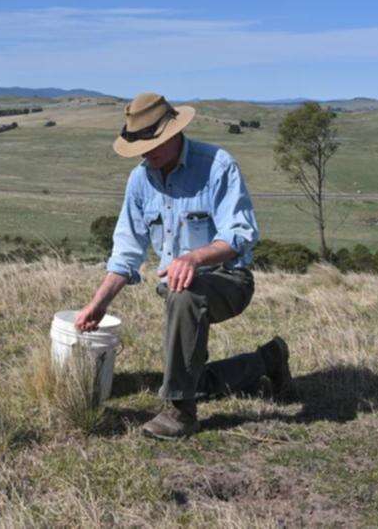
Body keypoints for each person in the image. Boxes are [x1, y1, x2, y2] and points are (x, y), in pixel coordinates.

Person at [75, 92, 292, 439]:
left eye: (153, 144)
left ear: (174, 133)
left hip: (229, 279)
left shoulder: (218, 166)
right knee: (192, 375)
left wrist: (194, 257)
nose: (146, 155)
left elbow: (241, 234)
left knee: (184, 297)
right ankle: (268, 360)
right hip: (178, 290)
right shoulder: (140, 181)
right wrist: (98, 304)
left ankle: (180, 413)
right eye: (141, 148)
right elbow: (127, 251)